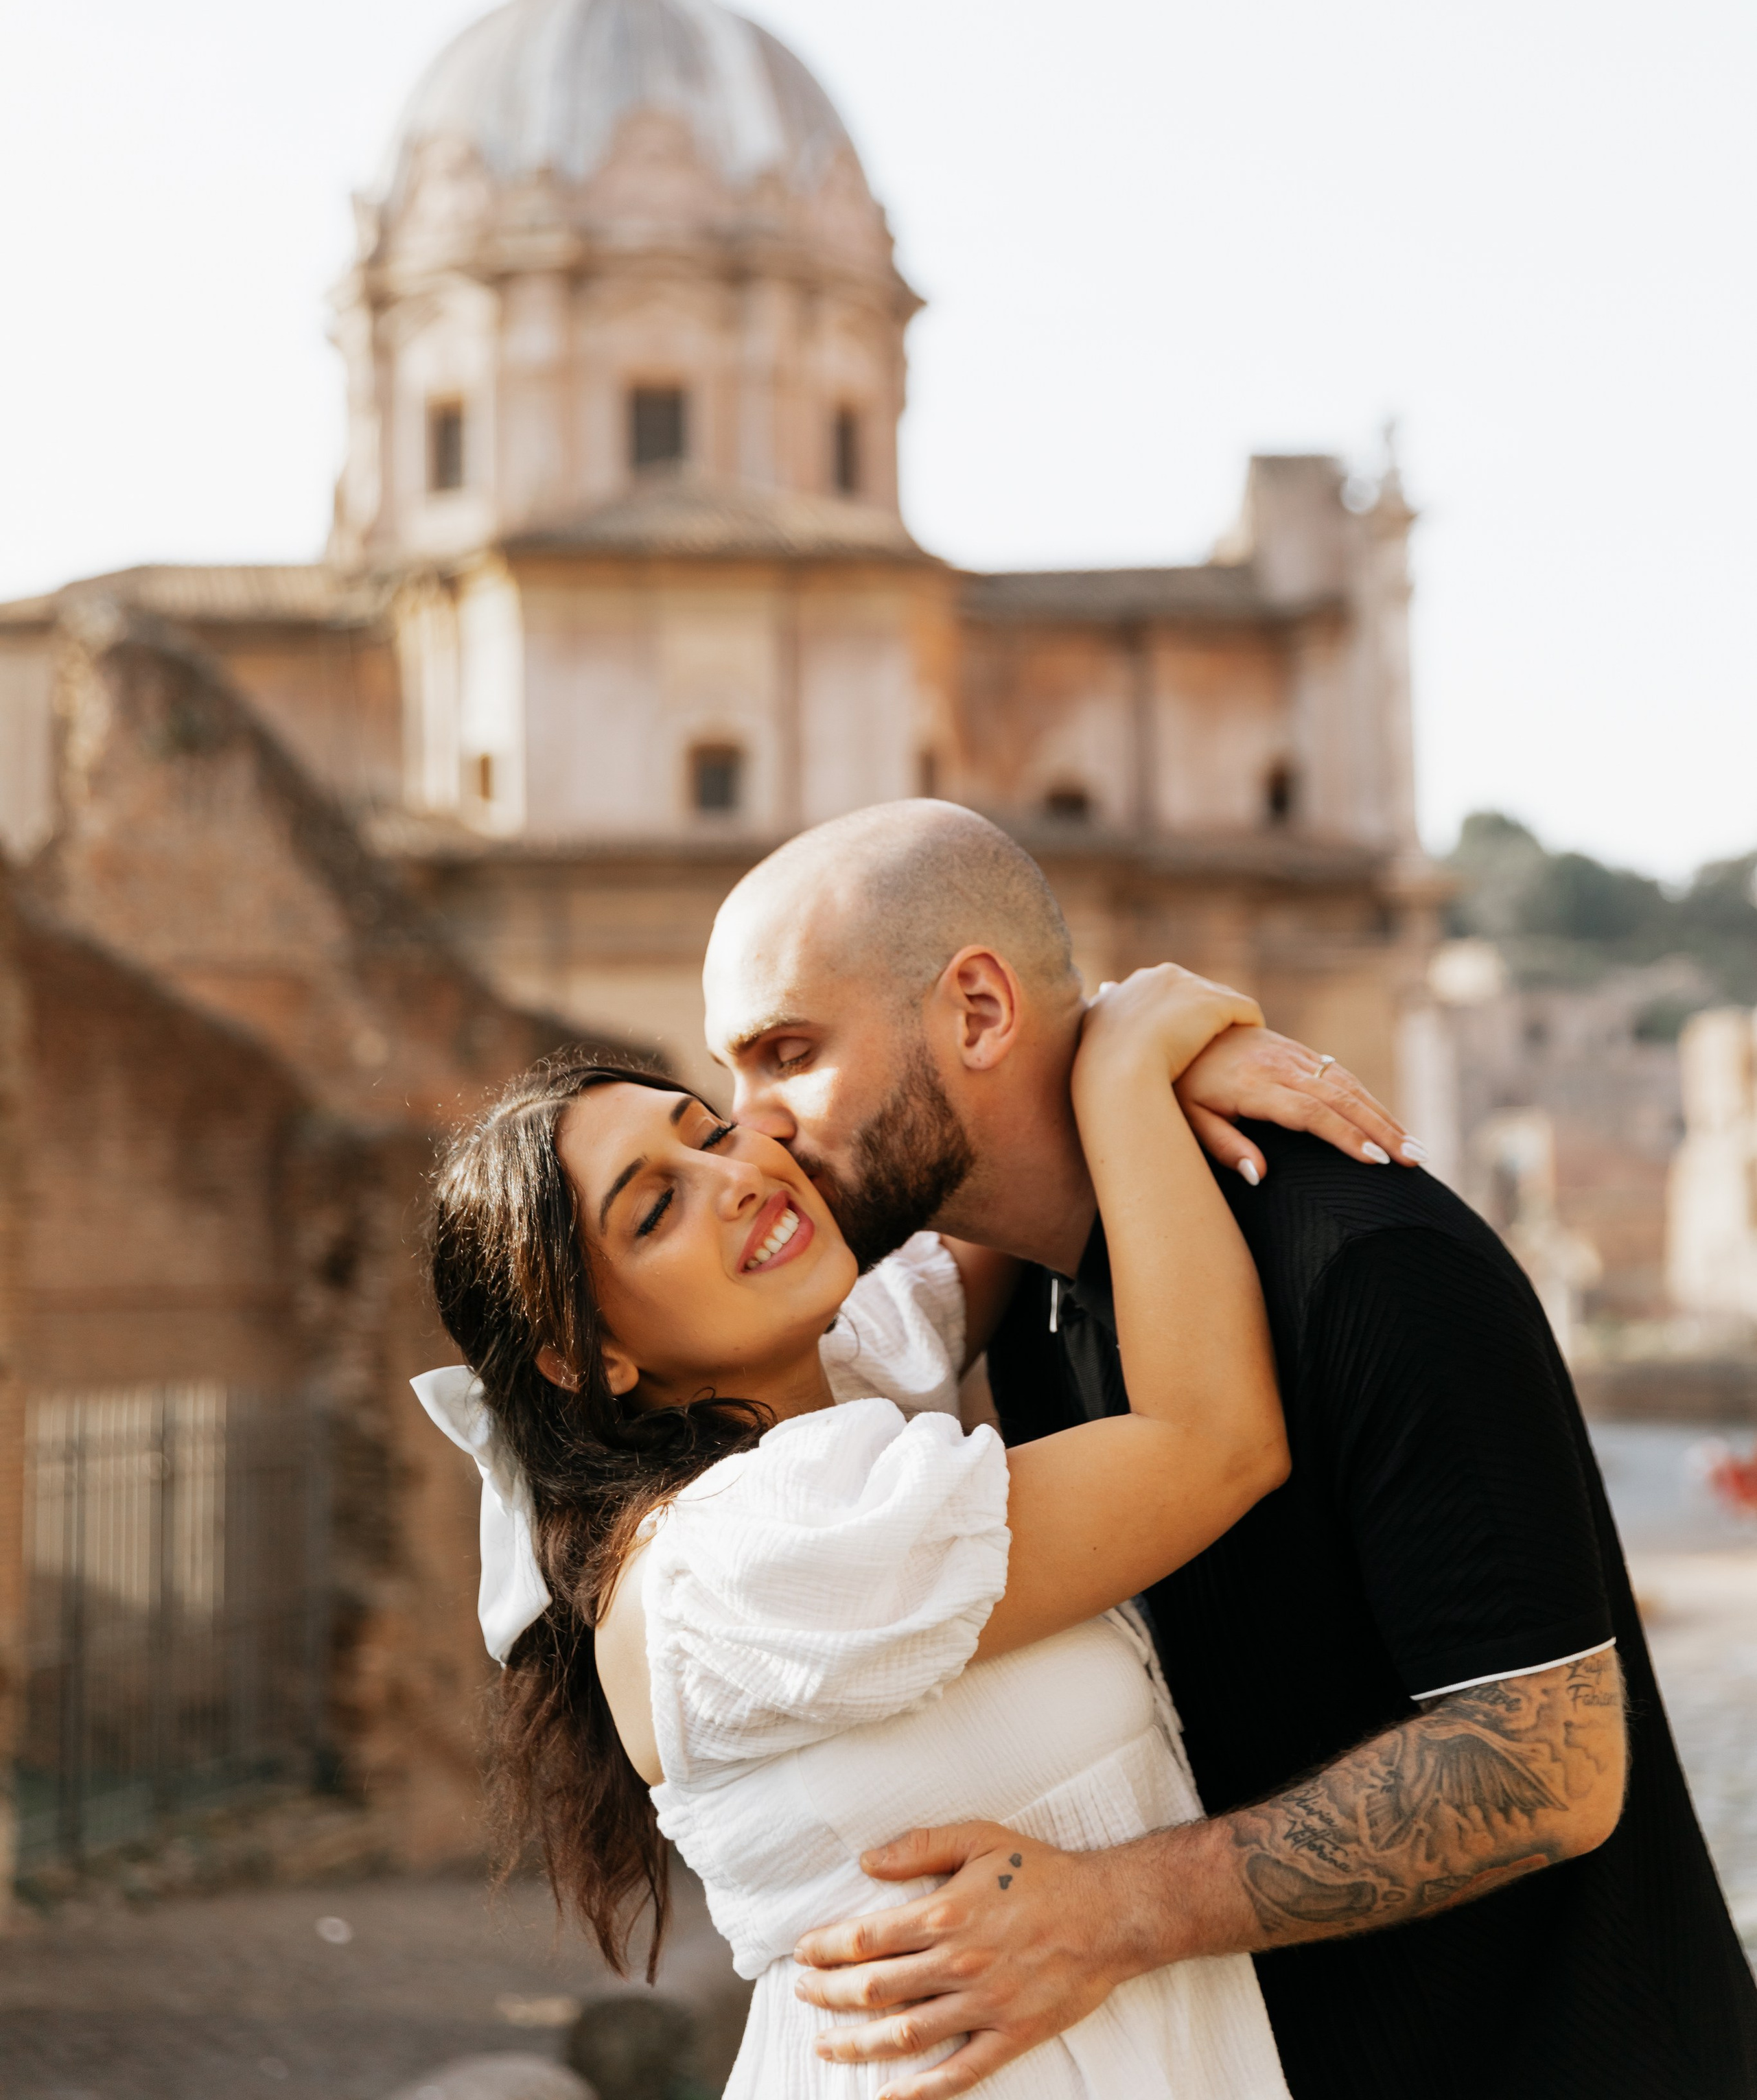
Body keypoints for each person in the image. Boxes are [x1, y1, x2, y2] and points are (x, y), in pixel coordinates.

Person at [702, 800, 1757, 2100]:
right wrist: (1126, 1056)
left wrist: (1108, 1911)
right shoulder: (1026, 1304)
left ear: (978, 1012)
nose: (752, 1126)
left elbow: (1547, 1761)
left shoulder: (1366, 1259)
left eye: (787, 1054)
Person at [415, 963, 1314, 2098]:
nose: (733, 1175)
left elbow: (991, 1168)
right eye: (656, 1207)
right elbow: (1215, 1444)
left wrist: (1097, 1019)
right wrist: (1133, 1064)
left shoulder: (825, 1384)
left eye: (713, 1131)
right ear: (591, 1358)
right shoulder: (741, 1555)